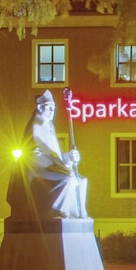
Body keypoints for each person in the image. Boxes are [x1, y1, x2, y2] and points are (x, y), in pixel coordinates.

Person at [28, 91, 89, 219]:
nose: (52, 111)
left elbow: (55, 155)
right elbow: (38, 156)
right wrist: (62, 164)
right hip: (39, 169)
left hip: (53, 166)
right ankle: (58, 211)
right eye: (49, 107)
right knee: (68, 180)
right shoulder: (35, 127)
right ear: (39, 108)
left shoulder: (49, 127)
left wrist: (70, 158)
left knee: (82, 181)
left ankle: (79, 213)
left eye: (54, 108)